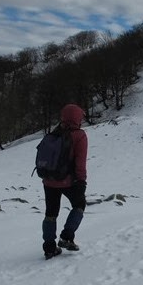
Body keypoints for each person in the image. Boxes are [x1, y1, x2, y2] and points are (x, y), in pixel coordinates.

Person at [41, 103, 88, 259]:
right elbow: (80, 162)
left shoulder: (54, 132)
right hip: (68, 181)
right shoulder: (79, 136)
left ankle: (49, 248)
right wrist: (81, 182)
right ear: (77, 118)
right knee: (79, 204)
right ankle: (67, 237)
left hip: (48, 180)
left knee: (50, 213)